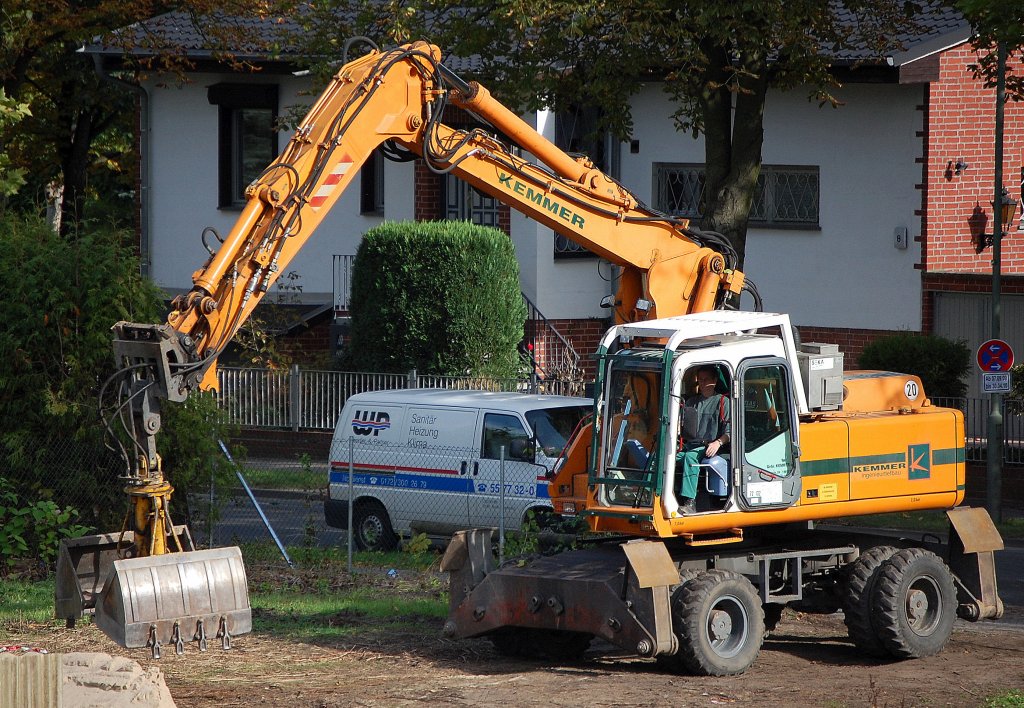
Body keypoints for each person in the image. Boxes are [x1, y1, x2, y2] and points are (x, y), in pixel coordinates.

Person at [676, 365, 731, 514]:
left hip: (707, 447)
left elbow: (729, 432)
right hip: (689, 445)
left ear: (715, 380)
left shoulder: (723, 402)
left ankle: (690, 502)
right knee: (663, 458)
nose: (703, 383)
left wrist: (718, 443)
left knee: (689, 458)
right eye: (700, 380)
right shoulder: (691, 402)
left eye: (706, 379)